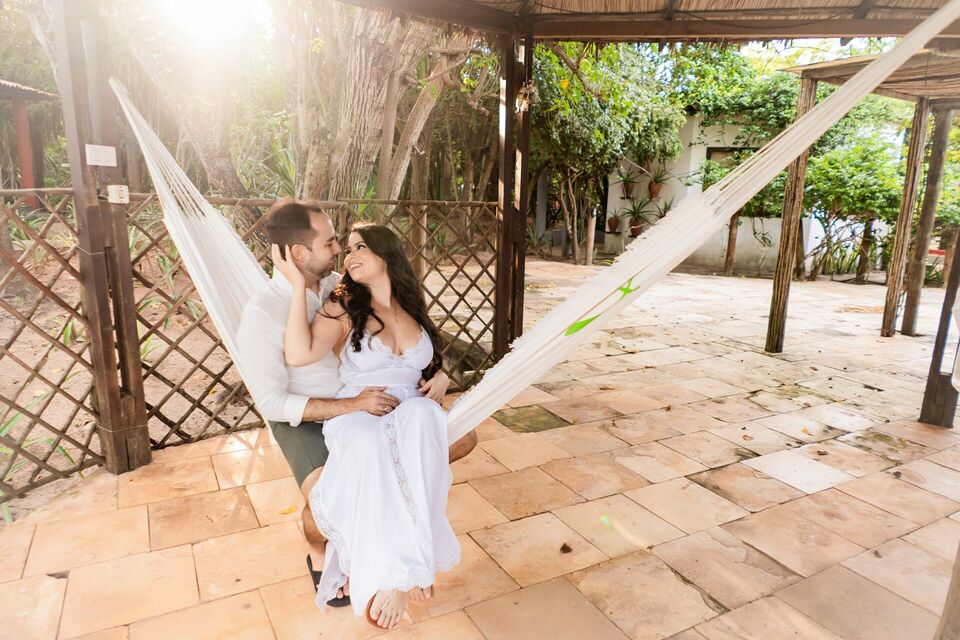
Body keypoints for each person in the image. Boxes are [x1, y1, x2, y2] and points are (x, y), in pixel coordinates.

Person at [237, 200, 476, 607]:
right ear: (299, 254)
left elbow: (424, 353)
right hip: (307, 413)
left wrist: (440, 375)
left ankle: (403, 556)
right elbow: (275, 401)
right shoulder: (264, 311)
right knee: (328, 506)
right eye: (333, 243)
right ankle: (324, 555)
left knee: (435, 442)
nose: (341, 252)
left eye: (349, 246)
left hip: (380, 405)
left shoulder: (342, 286)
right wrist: (351, 406)